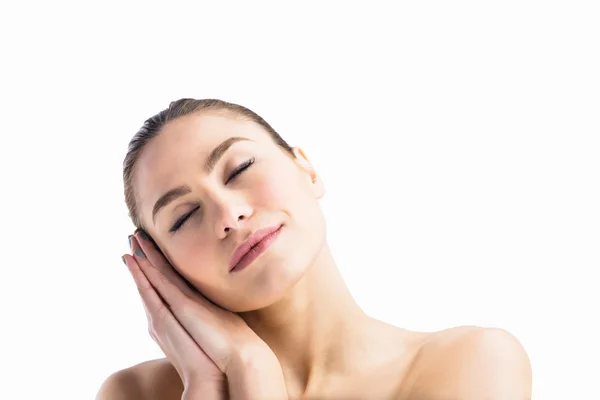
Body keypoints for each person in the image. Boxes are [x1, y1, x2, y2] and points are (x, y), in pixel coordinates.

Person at [96, 98, 532, 400]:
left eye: (240, 167)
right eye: (184, 216)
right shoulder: (136, 395)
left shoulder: (471, 362)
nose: (228, 214)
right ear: (159, 264)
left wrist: (256, 377)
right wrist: (216, 381)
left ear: (306, 168)